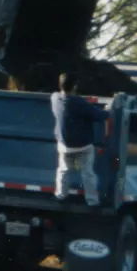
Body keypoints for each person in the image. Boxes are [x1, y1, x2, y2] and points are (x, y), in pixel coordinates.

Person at [51, 72, 109, 207]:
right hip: (83, 146)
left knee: (63, 170)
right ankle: (92, 201)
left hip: (64, 145)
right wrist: (108, 109)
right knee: (88, 173)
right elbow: (101, 116)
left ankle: (60, 195)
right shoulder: (79, 103)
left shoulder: (54, 98)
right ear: (75, 86)